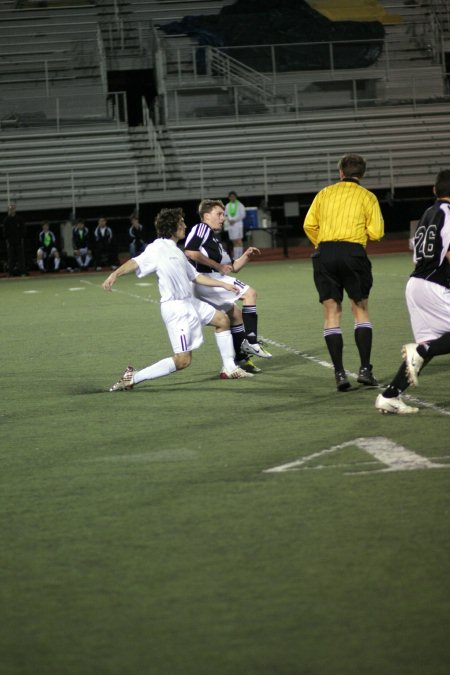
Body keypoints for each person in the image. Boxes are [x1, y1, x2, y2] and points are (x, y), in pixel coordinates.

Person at [102, 207, 253, 391]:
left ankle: (229, 368)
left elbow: (196, 277)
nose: (185, 225)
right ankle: (133, 377)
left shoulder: (177, 251)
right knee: (183, 361)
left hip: (190, 302)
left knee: (222, 320)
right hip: (175, 309)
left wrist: (223, 285)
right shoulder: (157, 247)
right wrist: (115, 274)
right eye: (181, 223)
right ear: (172, 226)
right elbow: (136, 262)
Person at [303, 153, 384, 391]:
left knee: (331, 312)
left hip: (324, 253)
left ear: (341, 173)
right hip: (353, 253)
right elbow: (377, 232)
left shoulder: (324, 193)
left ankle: (339, 373)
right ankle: (365, 370)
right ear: (362, 174)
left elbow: (309, 225)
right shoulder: (368, 196)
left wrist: (323, 244)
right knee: (360, 310)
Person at [375, 169, 450, 414]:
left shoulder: (428, 212)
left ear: (434, 190)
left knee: (429, 346)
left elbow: (418, 253)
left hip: (416, 283)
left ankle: (390, 395)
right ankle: (420, 350)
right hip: (436, 284)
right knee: (423, 349)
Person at [184, 198, 272, 375]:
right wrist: (217, 267)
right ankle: (252, 342)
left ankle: (241, 359)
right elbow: (190, 252)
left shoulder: (214, 241)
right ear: (206, 216)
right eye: (219, 214)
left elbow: (232, 267)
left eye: (223, 214)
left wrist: (246, 255)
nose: (222, 218)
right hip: (205, 279)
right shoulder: (202, 228)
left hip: (210, 280)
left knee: (236, 314)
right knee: (251, 294)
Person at [2, 203, 28, 276]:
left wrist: (21, 237)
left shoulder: (19, 219)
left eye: (13, 209)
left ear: (15, 209)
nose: (12, 210)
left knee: (21, 258)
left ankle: (22, 272)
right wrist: (7, 239)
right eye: (10, 209)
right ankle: (10, 273)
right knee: (11, 258)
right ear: (8, 210)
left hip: (19, 241)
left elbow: (23, 229)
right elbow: (5, 231)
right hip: (10, 242)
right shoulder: (6, 220)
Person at [224, 191, 246, 260]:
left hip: (238, 224)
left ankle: (241, 256)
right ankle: (236, 257)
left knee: (239, 240)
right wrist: (228, 220)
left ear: (235, 197)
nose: (232, 198)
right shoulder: (227, 205)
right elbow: (225, 215)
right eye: (231, 197)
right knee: (234, 241)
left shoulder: (240, 205)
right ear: (229, 198)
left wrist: (235, 220)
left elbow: (243, 215)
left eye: (233, 197)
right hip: (230, 225)